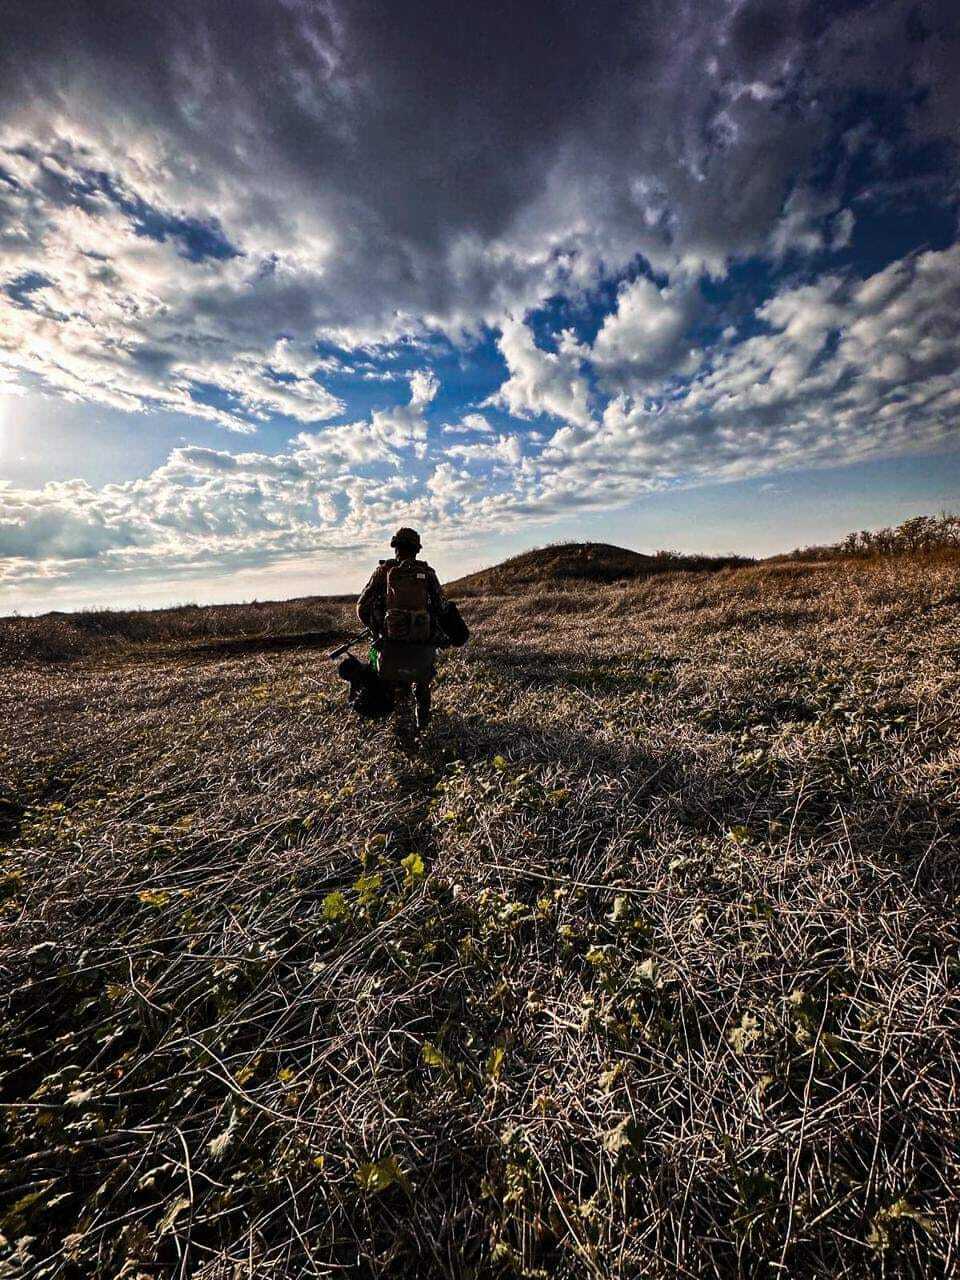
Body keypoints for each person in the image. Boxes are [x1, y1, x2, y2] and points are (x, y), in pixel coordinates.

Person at [357, 527, 448, 737]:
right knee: (422, 682)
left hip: (390, 645)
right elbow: (442, 607)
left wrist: (378, 630)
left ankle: (403, 725)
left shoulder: (383, 571)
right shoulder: (427, 573)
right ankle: (423, 721)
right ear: (417, 550)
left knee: (398, 686)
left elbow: (362, 607)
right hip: (422, 645)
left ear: (395, 547)